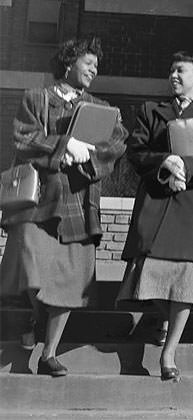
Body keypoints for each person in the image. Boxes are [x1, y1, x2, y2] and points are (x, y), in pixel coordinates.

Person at [0, 36, 126, 377]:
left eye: (96, 67)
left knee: (71, 278)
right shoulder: (36, 98)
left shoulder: (101, 108)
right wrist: (64, 145)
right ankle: (30, 315)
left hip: (78, 199)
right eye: (88, 64)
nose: (93, 71)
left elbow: (118, 142)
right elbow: (24, 138)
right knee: (28, 257)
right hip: (39, 197)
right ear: (69, 62)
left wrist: (92, 154)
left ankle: (49, 354)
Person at [117, 51, 193, 382]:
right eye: (171, 70)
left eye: (180, 70)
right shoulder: (150, 111)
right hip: (156, 201)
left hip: (192, 205)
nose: (174, 75)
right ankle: (164, 319)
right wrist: (165, 161)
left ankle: (168, 352)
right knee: (148, 277)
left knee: (185, 283)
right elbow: (136, 151)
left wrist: (190, 166)